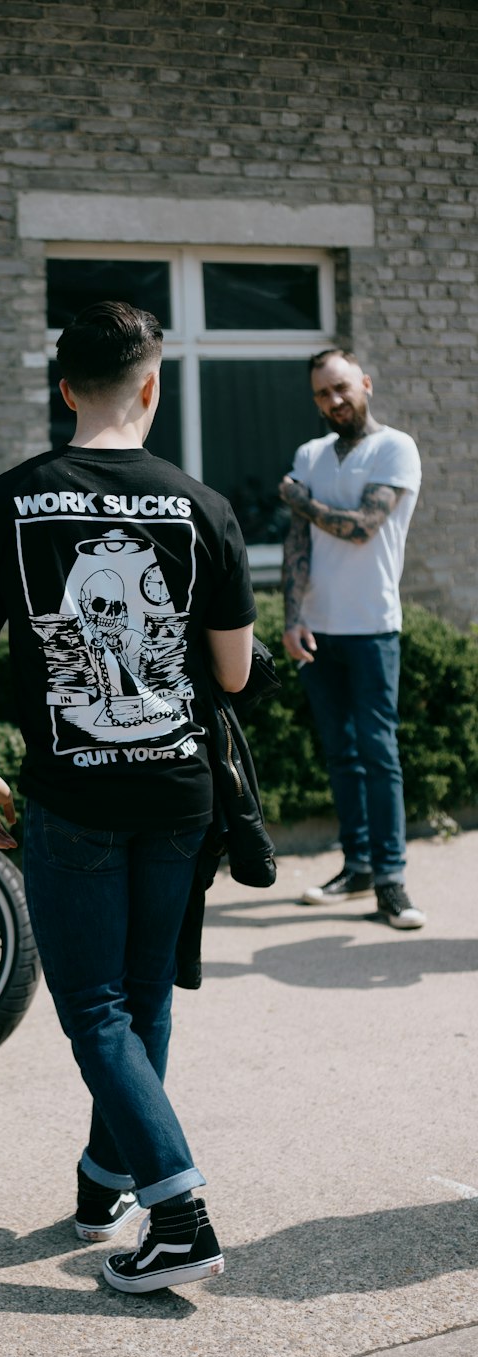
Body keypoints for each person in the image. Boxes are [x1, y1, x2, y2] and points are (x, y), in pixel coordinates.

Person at [0, 301, 255, 1294]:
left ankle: (178, 1212)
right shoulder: (201, 505)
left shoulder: (6, 501)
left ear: (64, 387)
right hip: (177, 792)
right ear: (151, 385)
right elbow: (236, 676)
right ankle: (102, 1178)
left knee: (93, 1010)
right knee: (143, 994)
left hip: (69, 793)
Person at [279, 349, 425, 930]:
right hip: (318, 627)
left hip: (372, 627)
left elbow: (364, 528)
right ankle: (358, 865)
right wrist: (292, 617)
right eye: (321, 394)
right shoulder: (310, 453)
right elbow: (299, 543)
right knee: (341, 754)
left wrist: (300, 499)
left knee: (378, 754)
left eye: (341, 388)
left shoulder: (395, 447)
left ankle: (391, 880)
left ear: (365, 383)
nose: (333, 401)